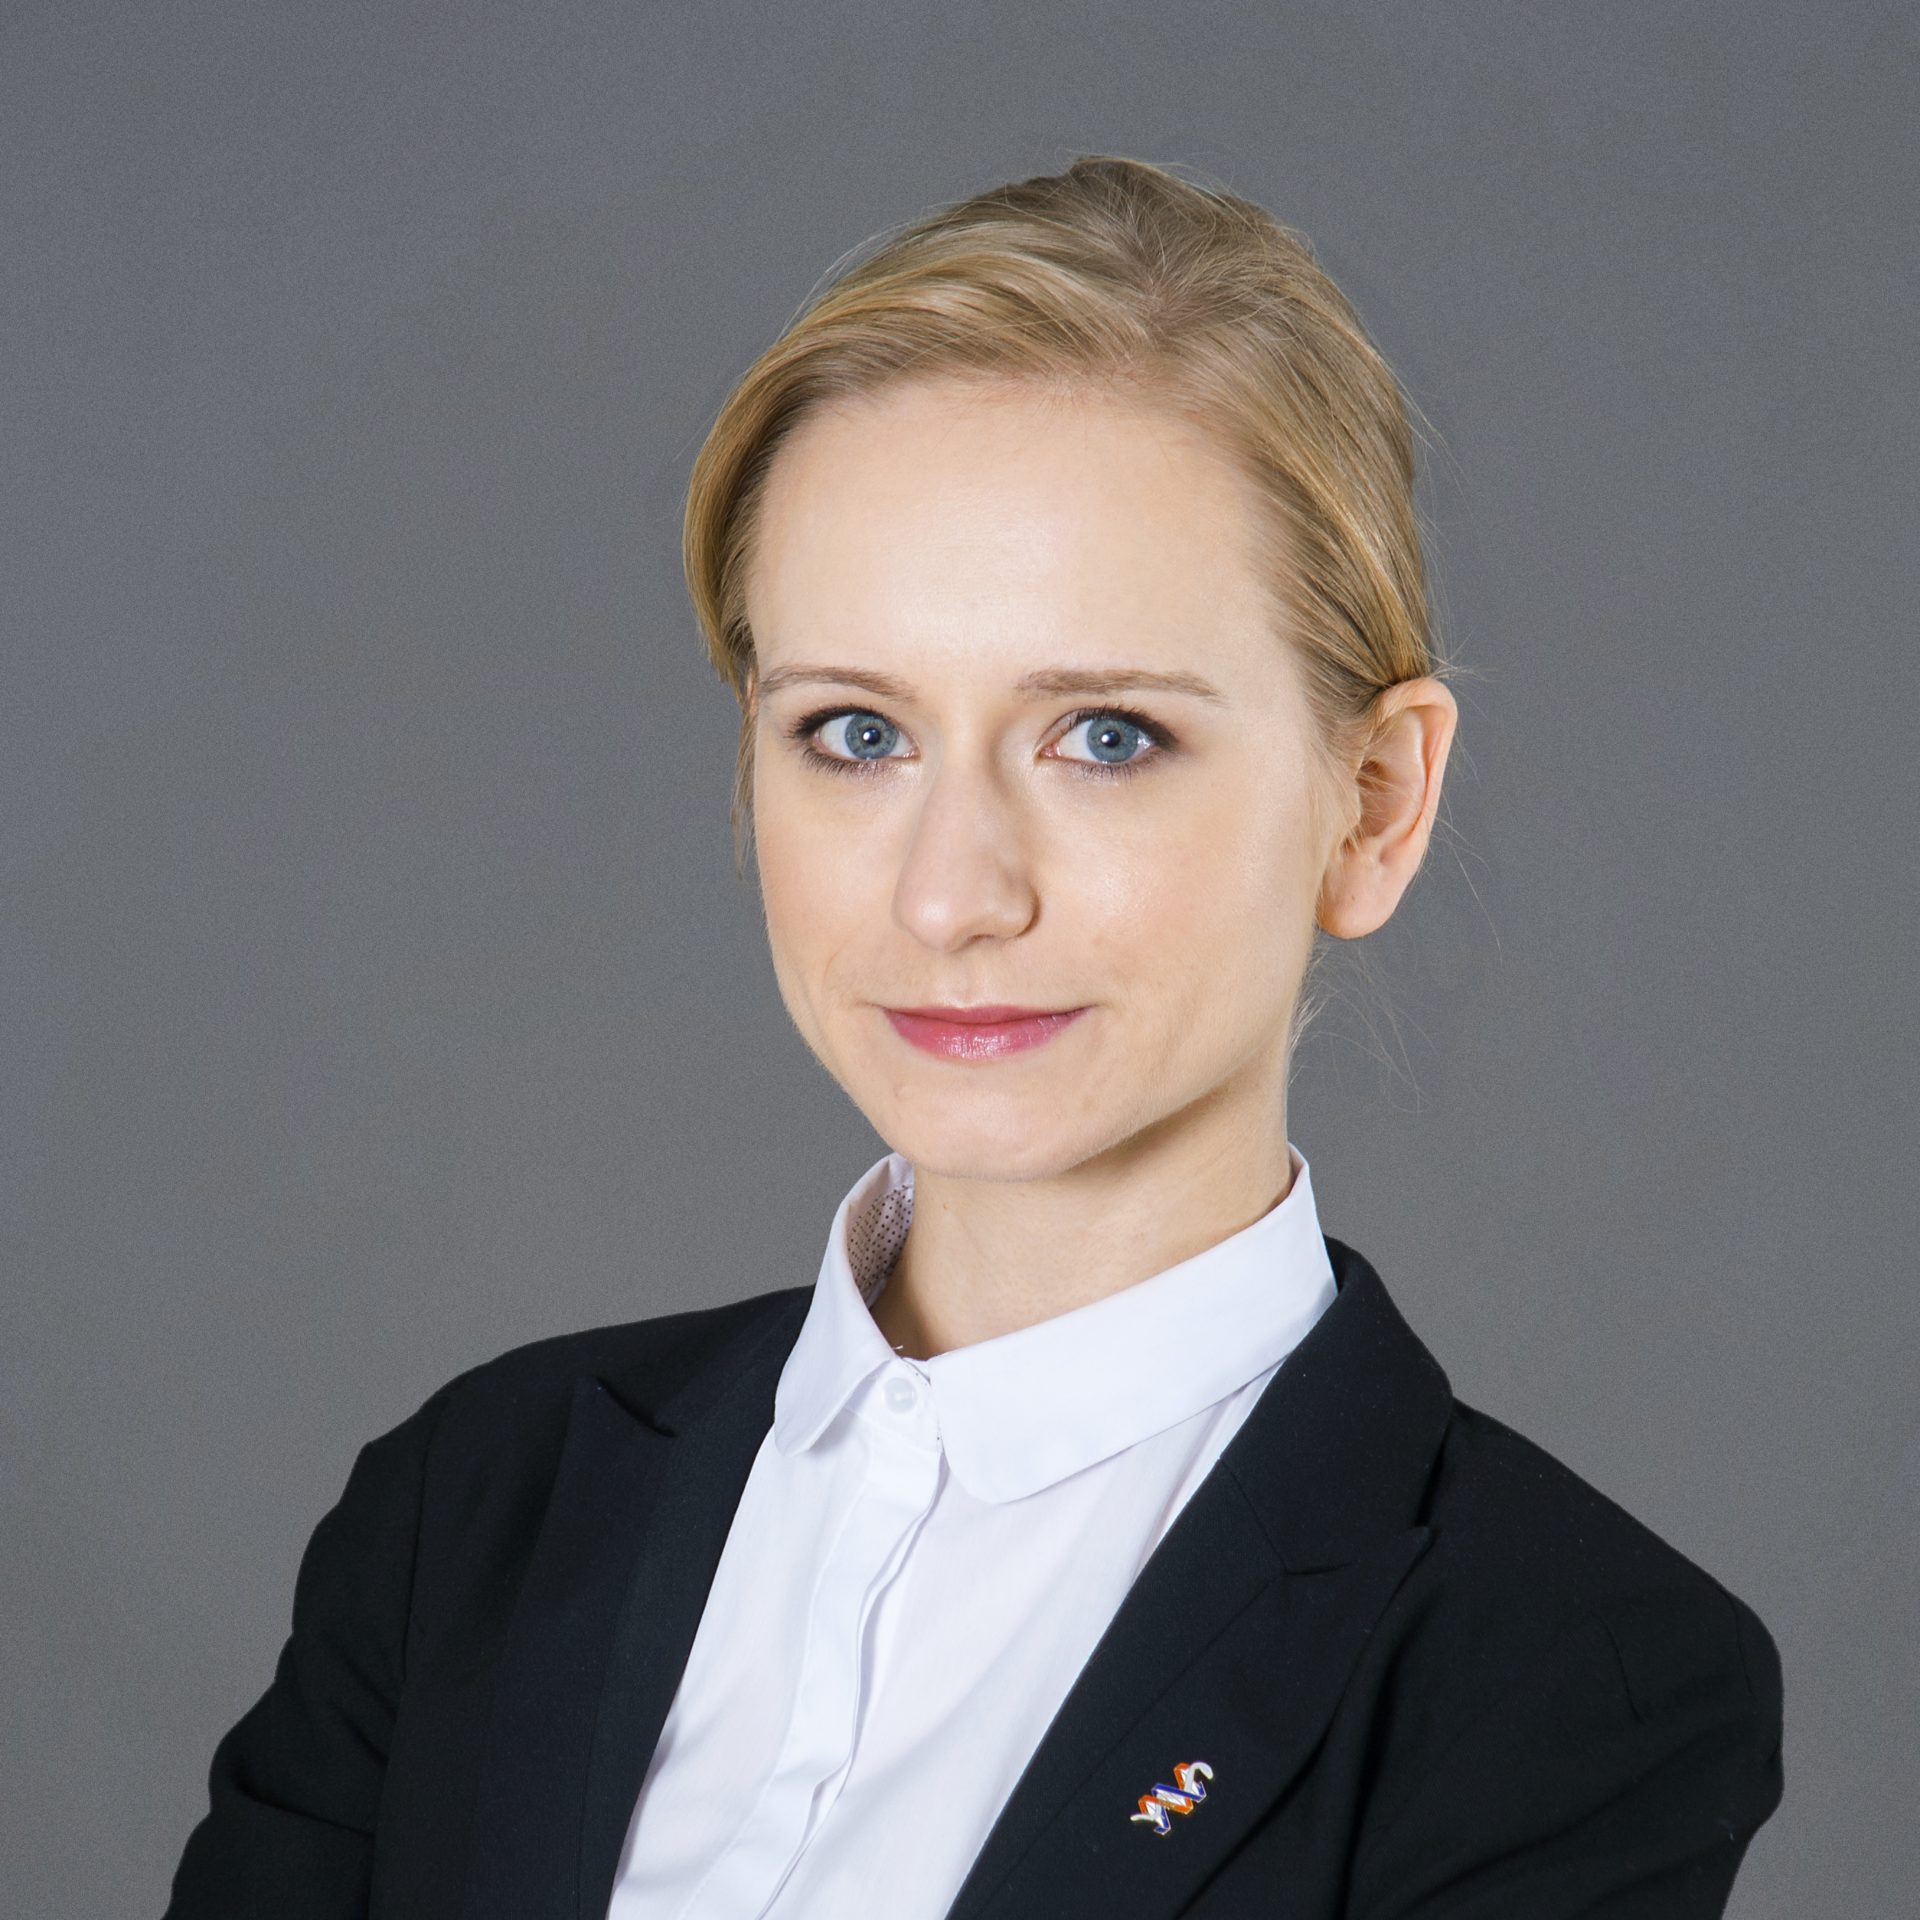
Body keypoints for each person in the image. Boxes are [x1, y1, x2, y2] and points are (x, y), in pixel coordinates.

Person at [164, 155, 1784, 1919]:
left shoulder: (1570, 1674)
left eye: (1105, 737)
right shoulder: (474, 1508)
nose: (951, 896)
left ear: (1375, 803)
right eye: (857, 734)